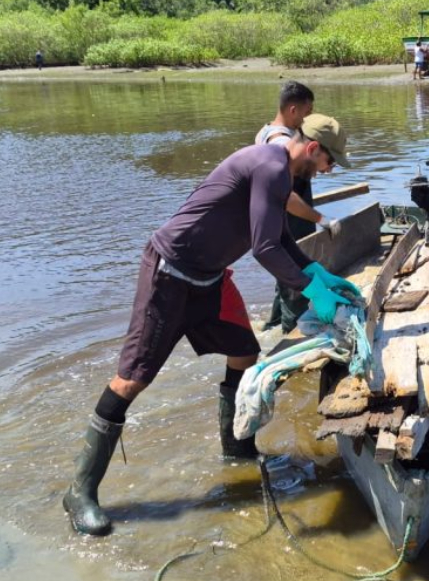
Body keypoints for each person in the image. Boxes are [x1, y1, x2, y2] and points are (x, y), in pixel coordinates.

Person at [62, 116, 358, 537]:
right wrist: (313, 292)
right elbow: (265, 247)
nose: (329, 170)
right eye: (330, 161)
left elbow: (280, 238)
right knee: (131, 380)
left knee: (244, 350)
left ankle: (236, 451)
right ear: (312, 148)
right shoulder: (270, 166)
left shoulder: (278, 171)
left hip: (208, 277)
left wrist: (317, 272)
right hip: (171, 273)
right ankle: (81, 491)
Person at [257, 83, 348, 333]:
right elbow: (285, 200)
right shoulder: (280, 150)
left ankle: (272, 328)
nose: (328, 169)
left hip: (283, 230)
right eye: (328, 162)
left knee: (287, 277)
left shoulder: (271, 135)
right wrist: (322, 218)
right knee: (294, 287)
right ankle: (290, 332)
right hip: (288, 224)